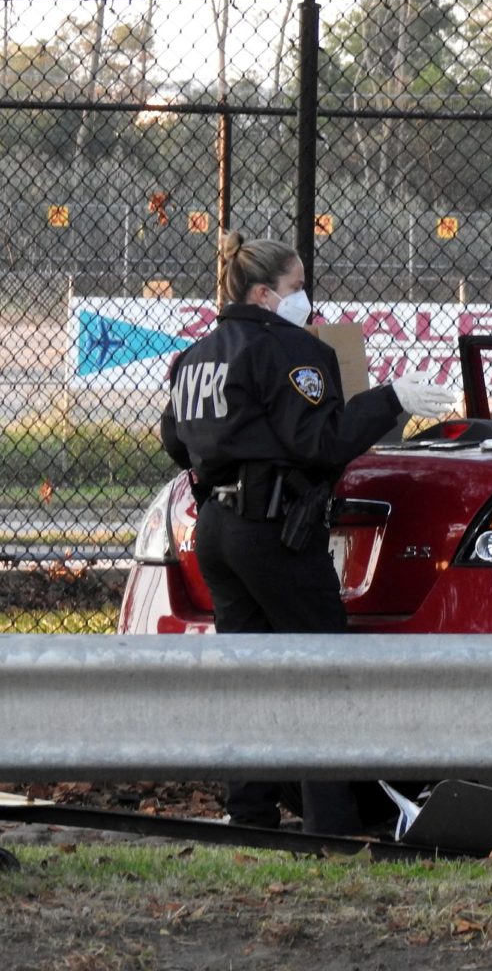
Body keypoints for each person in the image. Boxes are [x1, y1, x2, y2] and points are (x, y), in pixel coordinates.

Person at [160, 232, 458, 835]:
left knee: (251, 674)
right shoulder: (289, 350)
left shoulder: (196, 356)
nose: (307, 300)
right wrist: (389, 400)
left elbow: (174, 441)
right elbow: (320, 444)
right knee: (323, 670)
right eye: (298, 287)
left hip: (217, 529)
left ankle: (248, 814)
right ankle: (331, 824)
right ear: (267, 294)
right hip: (275, 532)